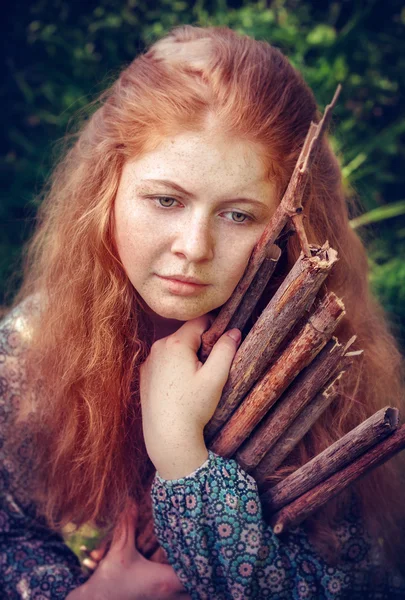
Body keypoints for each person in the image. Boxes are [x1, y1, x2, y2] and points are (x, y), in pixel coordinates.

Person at [1, 24, 404, 599]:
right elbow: (9, 532)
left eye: (239, 215)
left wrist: (182, 456)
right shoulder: (32, 345)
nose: (194, 247)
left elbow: (353, 581)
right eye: (166, 200)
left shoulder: (328, 375)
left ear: (293, 222)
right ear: (106, 191)